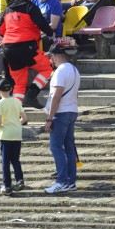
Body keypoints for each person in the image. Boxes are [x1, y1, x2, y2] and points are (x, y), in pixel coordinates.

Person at [0, 0, 54, 107]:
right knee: (47, 68)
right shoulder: (31, 7)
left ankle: (17, 113)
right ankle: (31, 95)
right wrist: (51, 33)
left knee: (19, 83)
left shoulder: (7, 10)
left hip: (8, 49)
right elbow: (42, 24)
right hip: (26, 46)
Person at [43, 43, 80, 194]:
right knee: (69, 147)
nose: (50, 60)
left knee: (56, 147)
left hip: (61, 113)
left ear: (56, 56)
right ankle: (70, 181)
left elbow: (56, 97)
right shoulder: (74, 69)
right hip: (72, 110)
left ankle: (62, 181)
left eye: (50, 56)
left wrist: (49, 119)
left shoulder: (60, 72)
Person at [0, 78, 28, 195]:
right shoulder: (17, 101)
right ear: (11, 89)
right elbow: (24, 119)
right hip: (17, 134)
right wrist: (16, 123)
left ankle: (7, 185)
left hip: (6, 135)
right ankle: (20, 180)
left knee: (5, 161)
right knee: (15, 160)